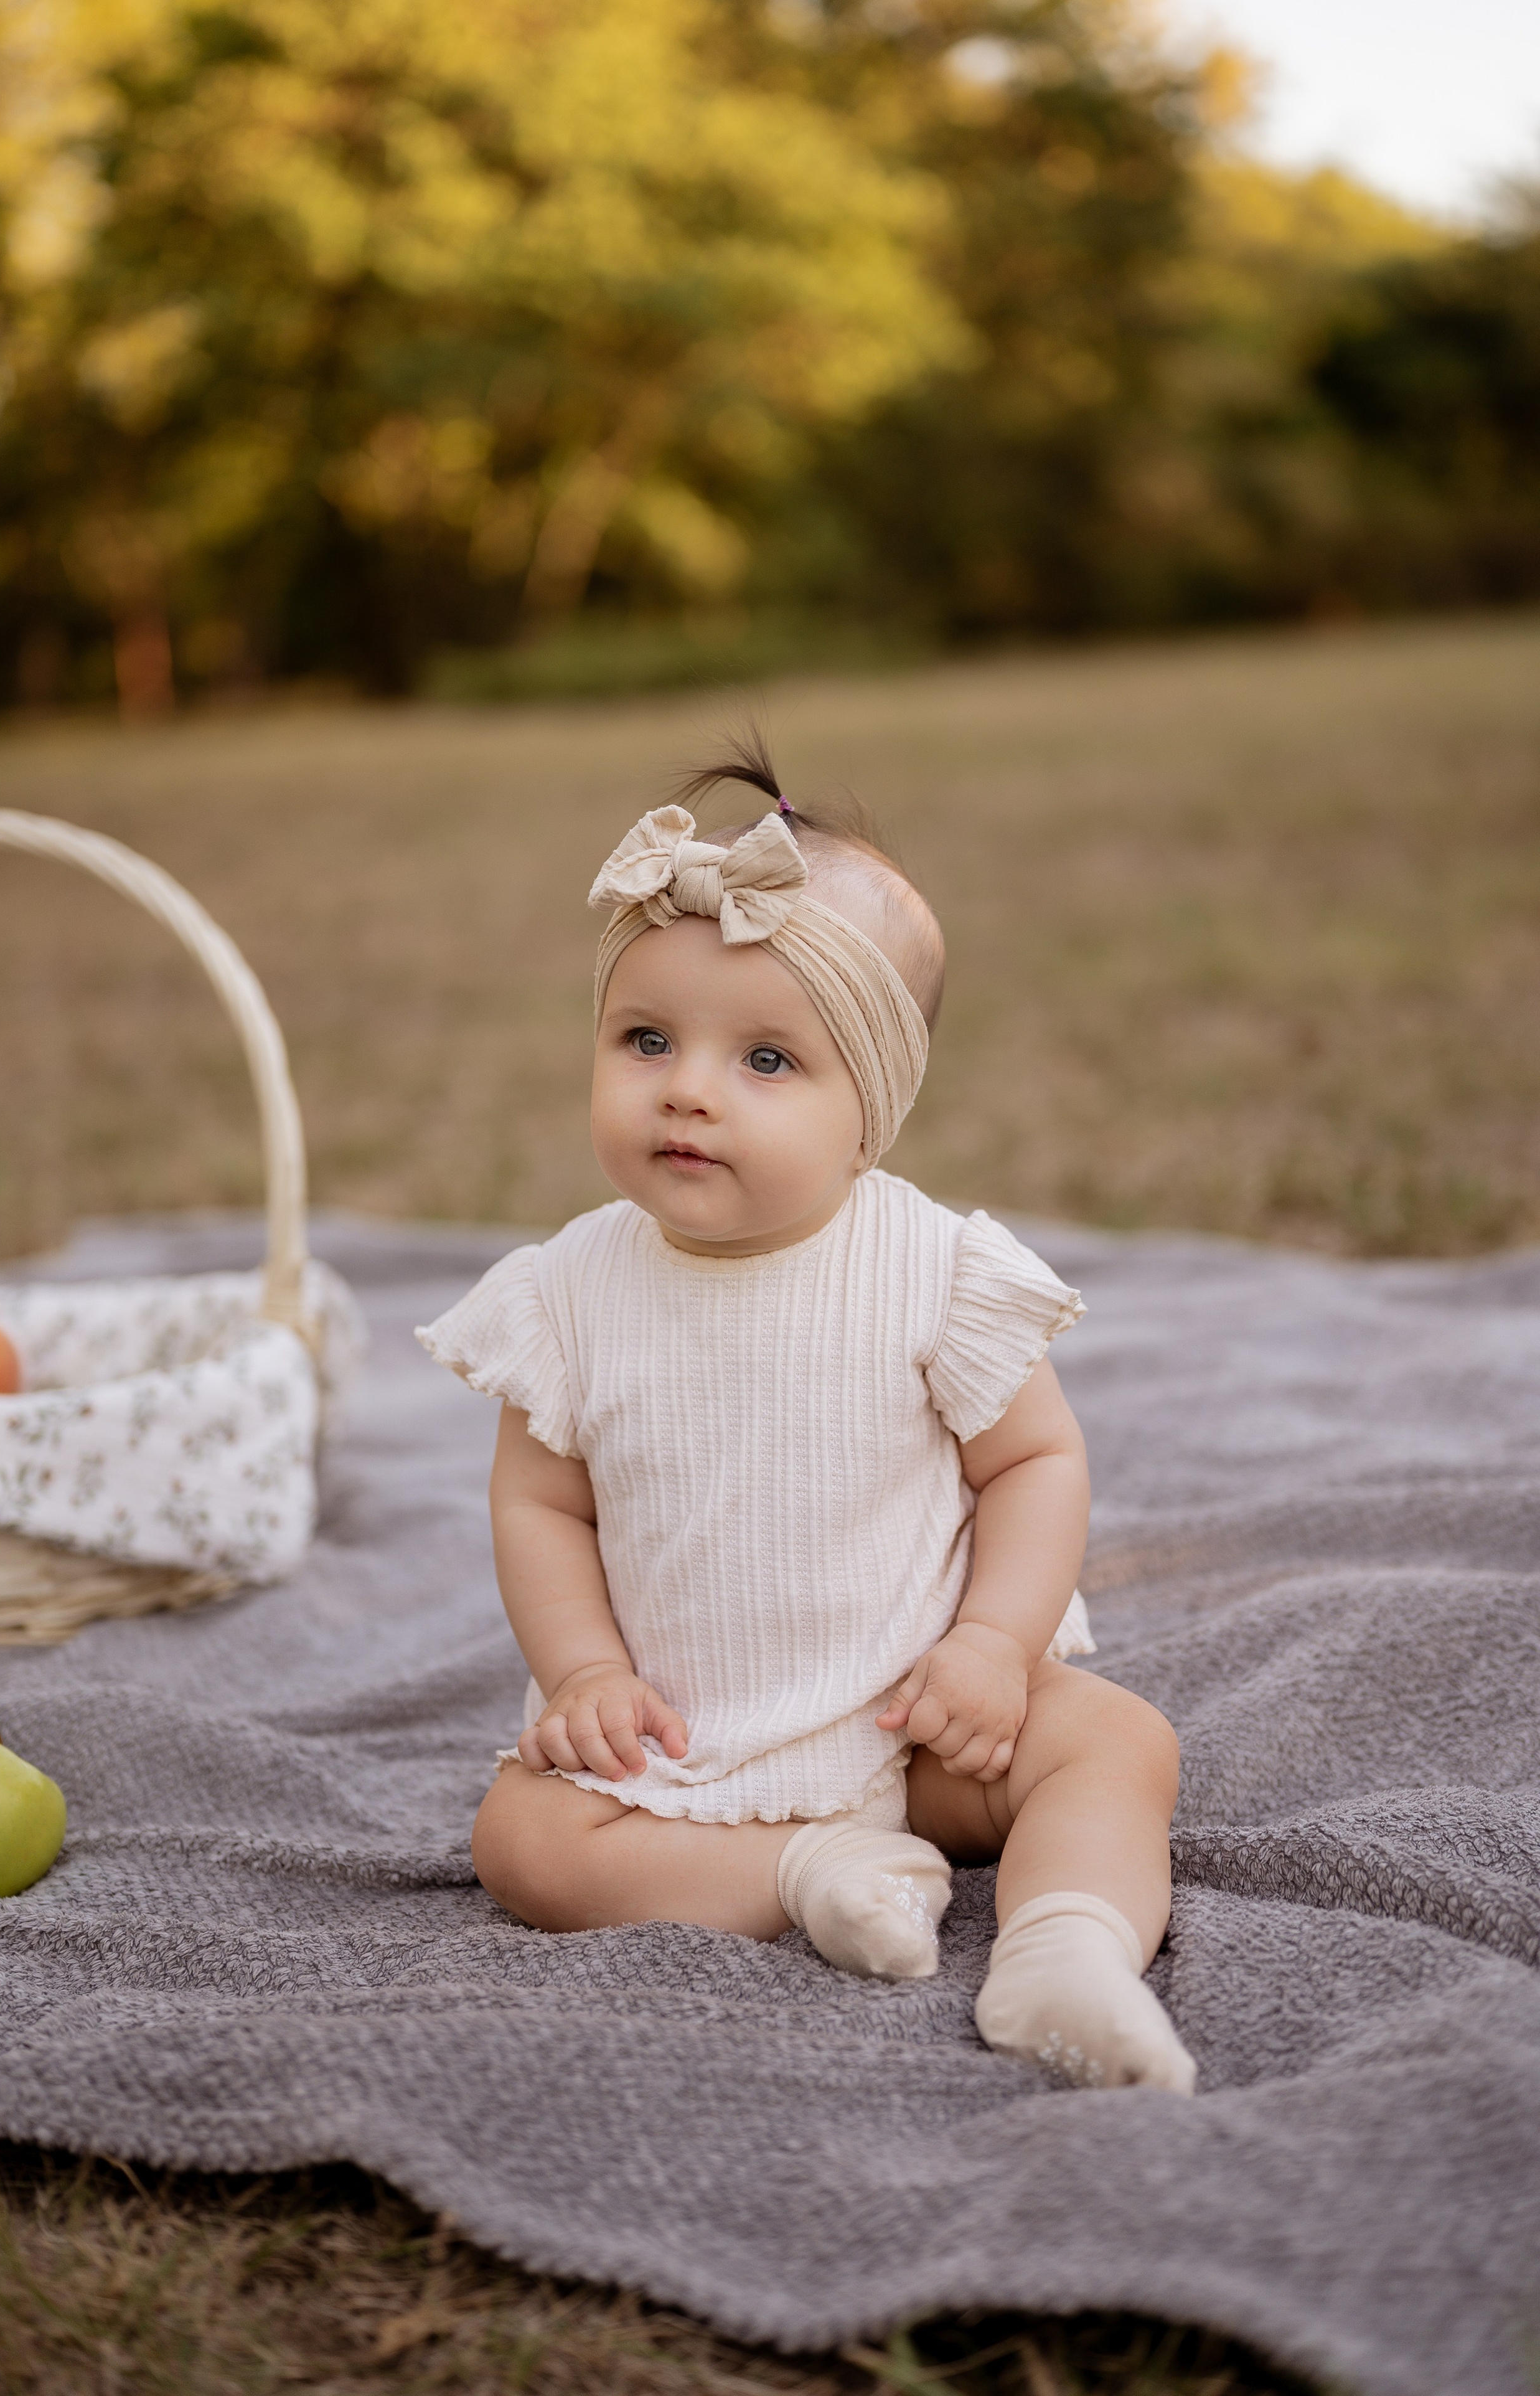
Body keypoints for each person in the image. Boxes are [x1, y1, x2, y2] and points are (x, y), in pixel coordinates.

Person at [419, 740, 1195, 2092]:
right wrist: (587, 1674)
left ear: (868, 1116)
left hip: (919, 1715)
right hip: (685, 1741)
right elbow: (540, 1502)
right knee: (522, 1843)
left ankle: (1064, 1950)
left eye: (767, 1058)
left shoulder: (935, 1271)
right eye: (645, 1039)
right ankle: (812, 1869)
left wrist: (993, 1646)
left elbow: (1034, 1463)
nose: (688, 1087)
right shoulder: (566, 1292)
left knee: (1116, 1742)